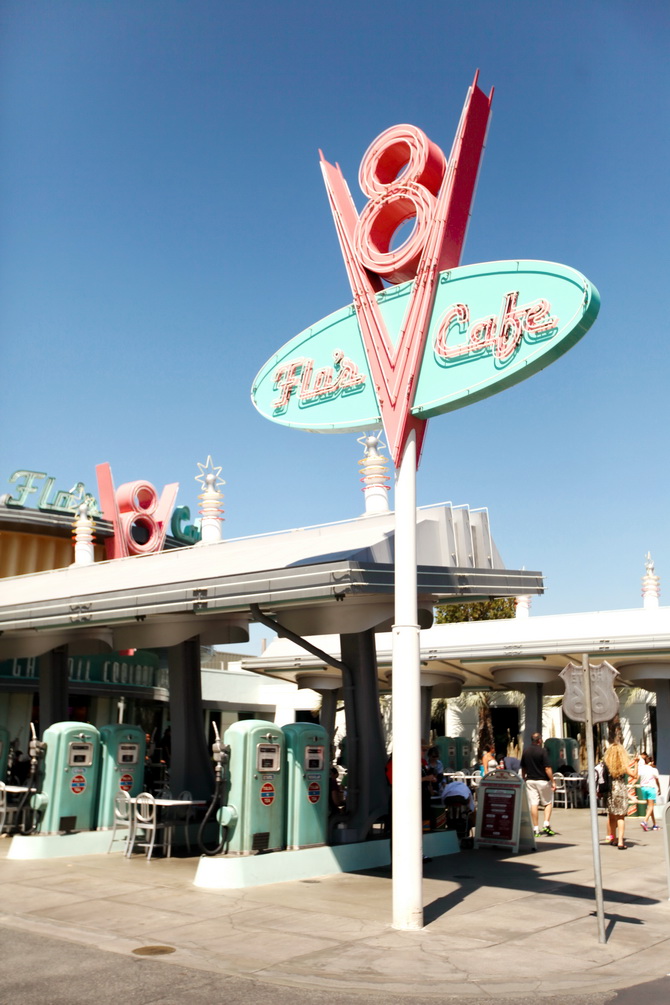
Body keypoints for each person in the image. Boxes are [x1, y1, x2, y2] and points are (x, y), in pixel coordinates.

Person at [521, 732, 556, 836]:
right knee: (548, 802)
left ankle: (535, 828)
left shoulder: (526, 751)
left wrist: (524, 778)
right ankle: (546, 824)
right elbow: (547, 768)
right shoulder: (542, 751)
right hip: (542, 781)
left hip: (530, 780)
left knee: (534, 804)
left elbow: (523, 767)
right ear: (539, 740)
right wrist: (553, 781)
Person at [603, 742, 635, 849]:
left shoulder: (607, 764)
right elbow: (634, 775)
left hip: (610, 790)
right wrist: (637, 764)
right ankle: (621, 841)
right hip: (620, 789)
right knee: (621, 817)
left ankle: (613, 838)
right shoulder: (623, 765)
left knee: (612, 816)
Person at [637, 752, 661, 831]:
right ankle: (645, 821)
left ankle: (654, 824)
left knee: (650, 807)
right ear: (651, 762)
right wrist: (659, 788)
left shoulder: (642, 769)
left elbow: (638, 776)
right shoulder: (654, 770)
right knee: (651, 806)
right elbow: (657, 780)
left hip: (643, 788)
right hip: (651, 788)